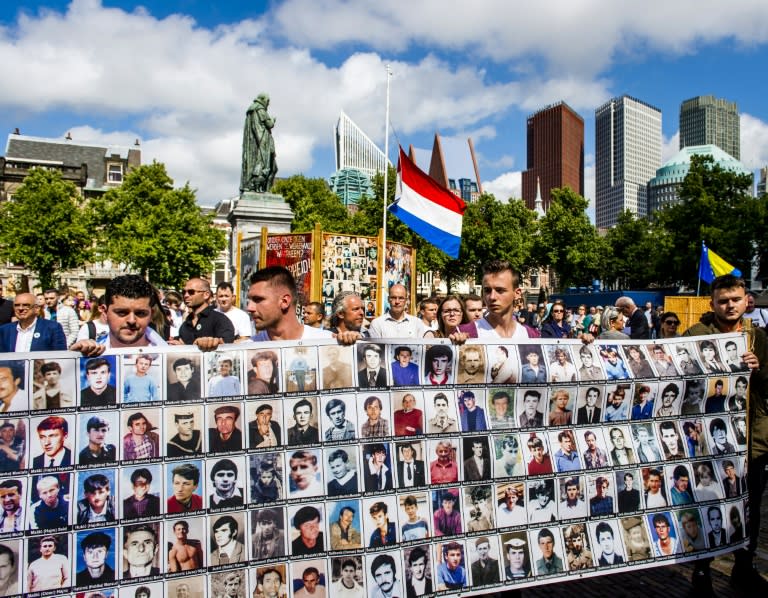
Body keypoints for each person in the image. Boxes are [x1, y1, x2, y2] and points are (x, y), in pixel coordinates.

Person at [70, 275, 167, 355]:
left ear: (151, 315)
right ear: (104, 311)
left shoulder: (169, 356)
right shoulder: (87, 356)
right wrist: (74, 359)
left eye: (140, 313)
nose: (132, 320)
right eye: (122, 312)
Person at [457, 260, 541, 340]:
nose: (492, 297)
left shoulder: (531, 336)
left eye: (500, 290)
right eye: (487, 290)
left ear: (517, 293)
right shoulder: (466, 334)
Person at [247, 266, 335, 341]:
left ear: (284, 301)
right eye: (249, 300)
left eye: (258, 299)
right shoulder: (248, 351)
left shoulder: (326, 341)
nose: (249, 308)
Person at [172, 277, 235, 348]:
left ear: (206, 295)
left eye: (191, 292)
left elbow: (227, 350)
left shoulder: (220, 320)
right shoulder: (185, 324)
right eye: (184, 292)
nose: (186, 295)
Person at [0, 292, 66, 351]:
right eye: (17, 305)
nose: (20, 308)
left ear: (36, 309)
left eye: (26, 305)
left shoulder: (52, 328)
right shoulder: (4, 330)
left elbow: (60, 357)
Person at [240, 93, 277, 192]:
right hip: (263, 141)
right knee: (269, 167)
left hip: (258, 141)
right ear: (263, 99)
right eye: (268, 101)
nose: (268, 104)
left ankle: (263, 188)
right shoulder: (260, 109)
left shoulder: (252, 110)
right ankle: (260, 187)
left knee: (272, 167)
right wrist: (273, 120)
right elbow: (269, 124)